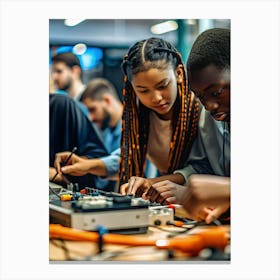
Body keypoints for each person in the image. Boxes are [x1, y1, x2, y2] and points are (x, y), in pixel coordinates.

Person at [118, 37, 229, 198]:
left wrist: (181, 192)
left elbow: (205, 168)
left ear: (179, 74)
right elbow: (201, 166)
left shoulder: (204, 110)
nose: (156, 98)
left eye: (162, 86)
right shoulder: (138, 116)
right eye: (143, 90)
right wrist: (153, 183)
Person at [49, 93, 116, 191]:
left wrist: (60, 174)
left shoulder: (61, 106)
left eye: (92, 109)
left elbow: (106, 161)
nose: (91, 117)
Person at [80, 78, 123, 153]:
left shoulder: (135, 128)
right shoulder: (107, 132)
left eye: (92, 109)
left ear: (107, 101)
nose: (91, 118)